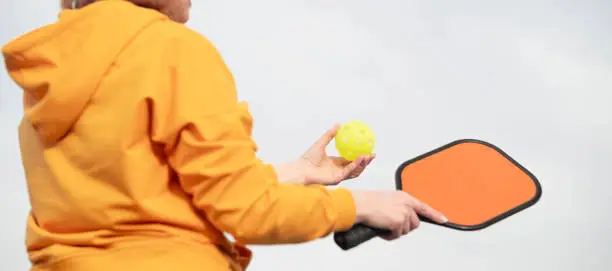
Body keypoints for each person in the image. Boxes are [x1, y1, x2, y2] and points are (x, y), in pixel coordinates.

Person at [2, 0, 447, 270]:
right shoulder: (173, 49)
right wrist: (363, 205)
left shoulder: (52, 75)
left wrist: (299, 173)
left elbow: (148, 193)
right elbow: (247, 211)